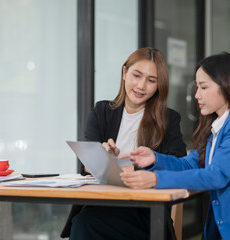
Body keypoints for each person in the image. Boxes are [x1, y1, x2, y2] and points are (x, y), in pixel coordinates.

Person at [120, 52, 230, 240]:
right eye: (196, 87)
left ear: (226, 86)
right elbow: (189, 164)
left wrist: (155, 179)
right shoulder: (217, 129)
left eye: (203, 87)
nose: (197, 95)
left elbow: (217, 175)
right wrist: (155, 159)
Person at [60, 47, 187, 239]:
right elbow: (85, 166)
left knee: (86, 224)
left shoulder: (168, 119)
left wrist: (132, 170)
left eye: (151, 80)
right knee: (86, 221)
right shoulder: (101, 111)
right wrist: (103, 157)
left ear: (159, 85)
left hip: (146, 212)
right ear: (124, 72)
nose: (141, 86)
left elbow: (179, 164)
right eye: (137, 75)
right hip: (102, 204)